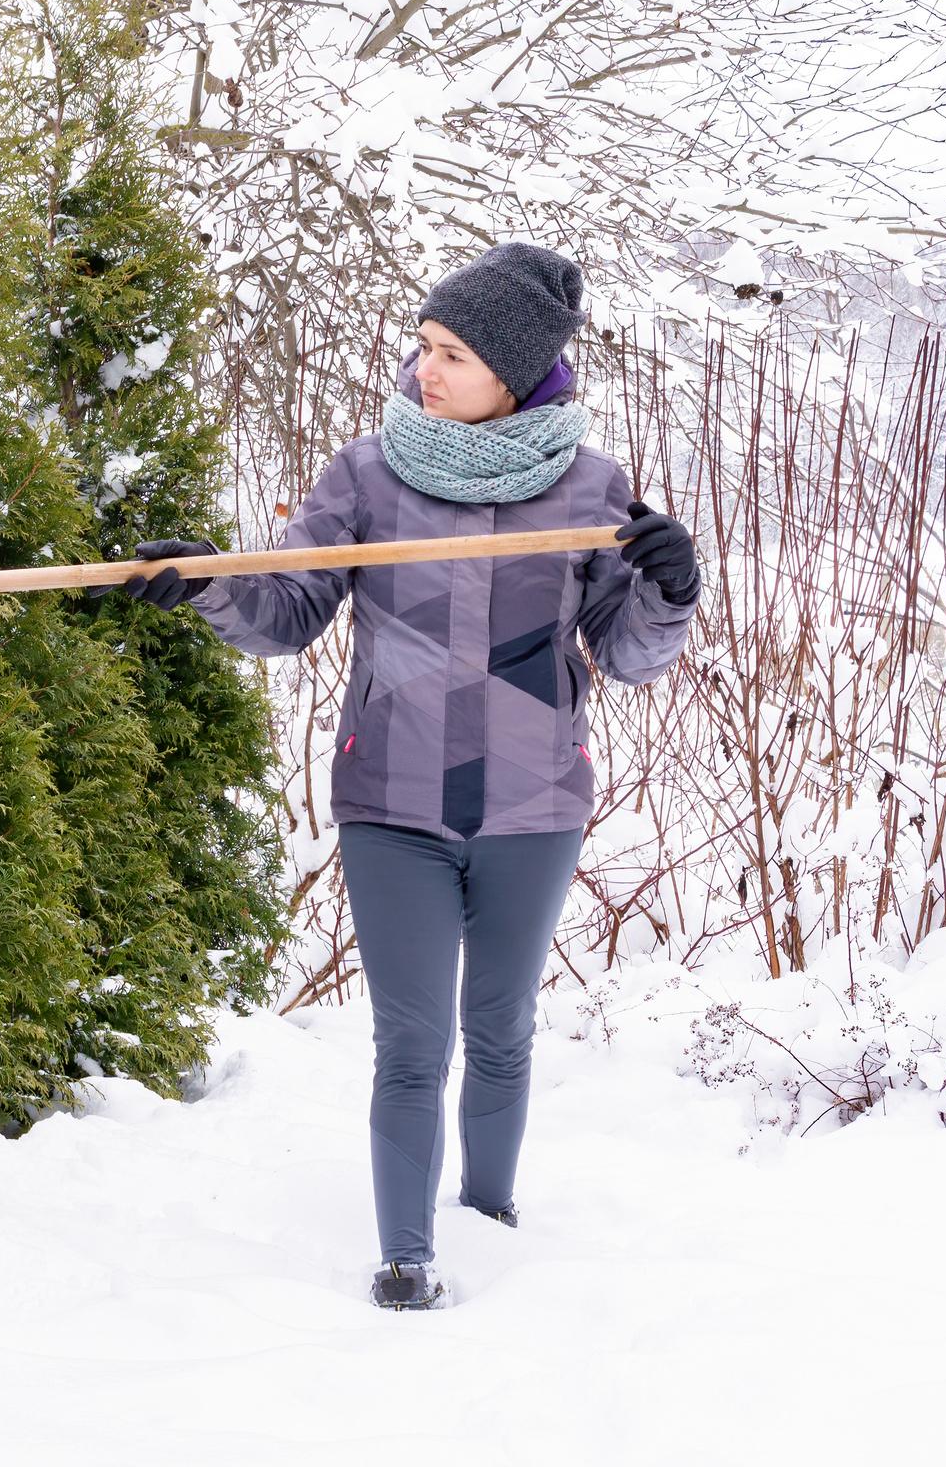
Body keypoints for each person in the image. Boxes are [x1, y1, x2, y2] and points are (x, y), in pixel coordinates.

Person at [108, 242, 699, 1311]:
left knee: (504, 1025)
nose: (425, 369)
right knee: (413, 1037)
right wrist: (208, 585)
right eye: (423, 346)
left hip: (533, 803)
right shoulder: (368, 473)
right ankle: (407, 1255)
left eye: (453, 353)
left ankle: (491, 1216)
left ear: (513, 375)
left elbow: (626, 654)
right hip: (393, 798)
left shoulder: (590, 488)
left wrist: (668, 590)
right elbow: (288, 611)